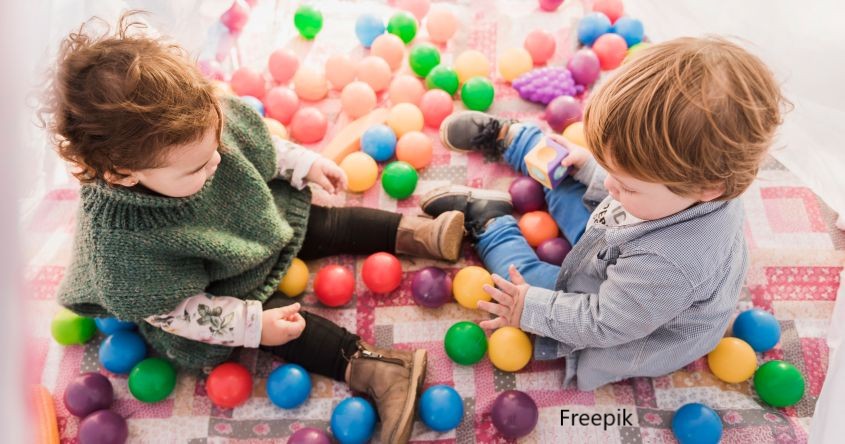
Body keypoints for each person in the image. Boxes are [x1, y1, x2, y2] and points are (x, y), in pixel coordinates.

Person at [41, 14, 461, 442]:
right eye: (197, 168)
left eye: (215, 147)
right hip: (206, 287)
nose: (217, 162)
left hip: (252, 220)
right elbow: (178, 311)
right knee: (282, 326)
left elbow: (260, 142)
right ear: (123, 175)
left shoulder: (199, 126)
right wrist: (253, 324)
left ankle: (420, 233)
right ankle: (379, 367)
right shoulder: (123, 249)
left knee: (322, 222)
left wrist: (304, 164)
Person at [420, 37, 787, 390]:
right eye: (611, 170)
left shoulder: (669, 265)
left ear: (707, 189)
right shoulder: (689, 184)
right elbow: (624, 183)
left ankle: (490, 221)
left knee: (517, 283)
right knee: (569, 172)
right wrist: (592, 168)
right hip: (622, 246)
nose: (611, 186)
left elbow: (600, 322)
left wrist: (528, 307)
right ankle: (518, 142)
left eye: (628, 185)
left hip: (614, 315)